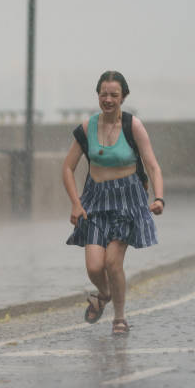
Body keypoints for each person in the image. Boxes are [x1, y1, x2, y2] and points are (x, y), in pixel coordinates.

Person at [62, 71, 164, 334]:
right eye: (103, 94)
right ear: (98, 95)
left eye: (114, 95)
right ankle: (105, 293)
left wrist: (159, 197)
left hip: (127, 201)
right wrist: (75, 203)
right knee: (94, 266)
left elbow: (152, 166)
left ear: (123, 97)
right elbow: (67, 168)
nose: (108, 99)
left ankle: (120, 317)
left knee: (112, 262)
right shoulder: (88, 128)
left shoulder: (133, 126)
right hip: (95, 201)